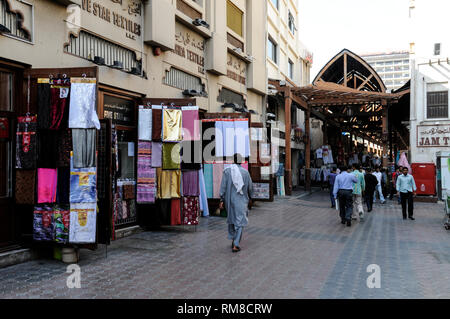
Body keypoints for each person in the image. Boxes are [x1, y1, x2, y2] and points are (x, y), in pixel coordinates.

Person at [219, 154, 254, 253]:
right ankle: (236, 243)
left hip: (229, 199)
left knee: (231, 219)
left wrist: (221, 199)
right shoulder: (245, 172)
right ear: (241, 161)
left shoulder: (227, 171)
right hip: (241, 200)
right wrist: (251, 196)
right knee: (239, 221)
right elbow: (250, 187)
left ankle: (234, 239)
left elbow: (223, 186)